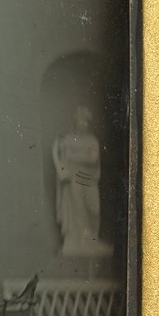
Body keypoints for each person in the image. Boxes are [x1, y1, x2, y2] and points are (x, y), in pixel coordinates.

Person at [52, 105, 111, 257]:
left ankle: (92, 239)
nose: (83, 123)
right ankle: (81, 240)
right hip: (74, 179)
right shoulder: (69, 139)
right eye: (81, 120)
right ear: (76, 121)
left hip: (90, 179)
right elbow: (59, 155)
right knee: (78, 209)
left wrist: (73, 156)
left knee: (94, 209)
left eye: (86, 121)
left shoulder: (92, 141)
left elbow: (93, 159)